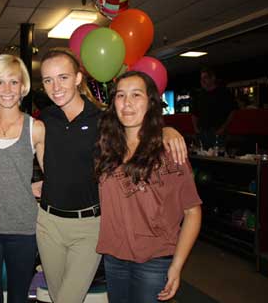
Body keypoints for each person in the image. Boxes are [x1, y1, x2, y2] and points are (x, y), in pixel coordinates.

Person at [36, 48, 187, 303]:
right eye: (48, 80)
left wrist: (167, 130)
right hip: (48, 224)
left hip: (90, 226)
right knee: (56, 293)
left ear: (77, 78)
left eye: (63, 77)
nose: (55, 86)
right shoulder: (45, 118)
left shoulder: (104, 118)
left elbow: (139, 126)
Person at [94, 70, 202, 302]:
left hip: (155, 261)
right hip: (114, 258)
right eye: (121, 96)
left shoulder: (170, 151)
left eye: (136, 95)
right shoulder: (107, 148)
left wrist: (177, 266)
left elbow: (192, 212)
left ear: (151, 102)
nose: (127, 103)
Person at [0, 54, 45, 303]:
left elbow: (54, 174)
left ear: (23, 86)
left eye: (14, 82)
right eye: (0, 82)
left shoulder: (35, 128)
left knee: (17, 298)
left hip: (22, 229)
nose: (7, 89)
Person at [192, 67, 237, 149]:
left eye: (205, 78)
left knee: (218, 157)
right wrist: (196, 129)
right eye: (201, 78)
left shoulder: (223, 93)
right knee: (202, 157)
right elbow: (194, 114)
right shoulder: (199, 95)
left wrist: (223, 128)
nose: (202, 81)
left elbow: (232, 111)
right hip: (202, 132)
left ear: (213, 78)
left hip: (218, 131)